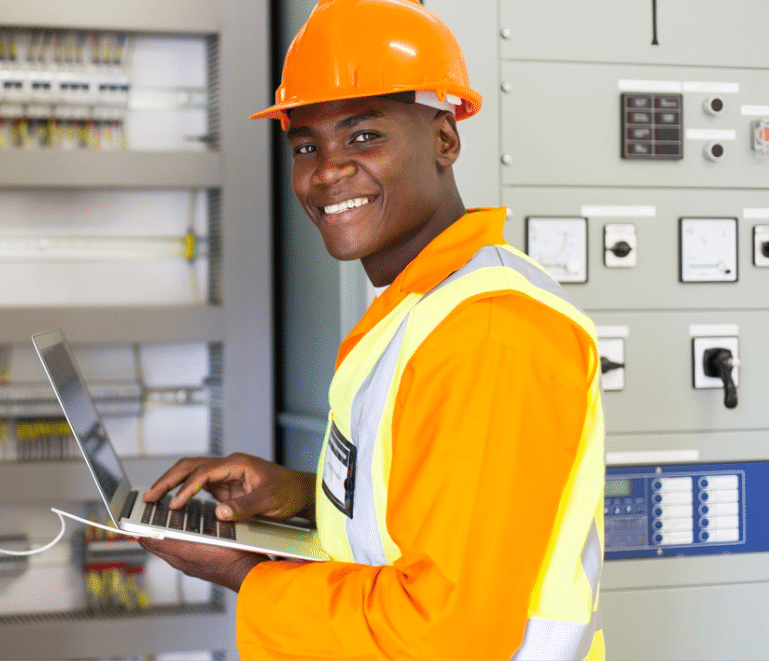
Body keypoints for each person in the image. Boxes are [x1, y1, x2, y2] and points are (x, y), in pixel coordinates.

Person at [139, 1, 606, 658]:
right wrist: (299, 496)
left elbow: (446, 632)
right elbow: (420, 515)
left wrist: (245, 571)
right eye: (307, 144)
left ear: (445, 138)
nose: (328, 170)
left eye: (364, 136)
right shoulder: (422, 306)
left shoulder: (488, 333)